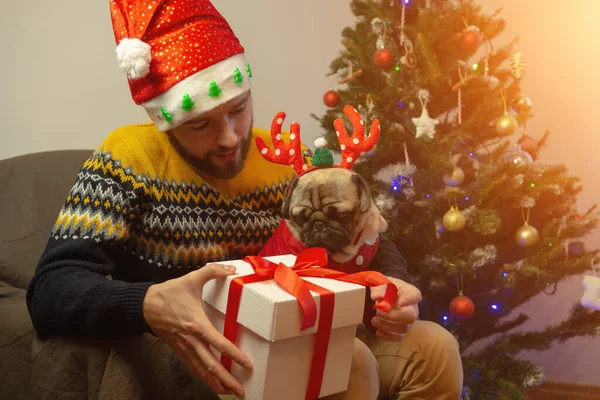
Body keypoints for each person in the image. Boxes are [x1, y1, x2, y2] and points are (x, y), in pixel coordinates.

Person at [25, 1, 463, 399]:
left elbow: (363, 234)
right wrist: (147, 303)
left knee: (436, 347)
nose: (229, 139)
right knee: (345, 365)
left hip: (309, 324)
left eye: (238, 109)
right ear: (166, 121)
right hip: (200, 348)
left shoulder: (286, 160)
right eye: (201, 125)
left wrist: (393, 282)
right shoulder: (127, 158)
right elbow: (51, 287)